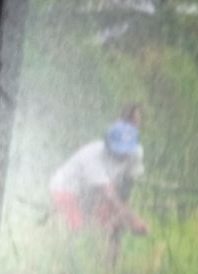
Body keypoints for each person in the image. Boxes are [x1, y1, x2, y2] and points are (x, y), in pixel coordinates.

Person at [49, 105, 149, 263]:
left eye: (125, 150)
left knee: (115, 223)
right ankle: (64, 263)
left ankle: (109, 268)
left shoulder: (135, 154)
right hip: (66, 189)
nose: (121, 154)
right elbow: (109, 193)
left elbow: (125, 187)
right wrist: (133, 220)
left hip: (94, 190)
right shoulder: (93, 156)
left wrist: (124, 216)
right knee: (79, 230)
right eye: (117, 150)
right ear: (108, 143)